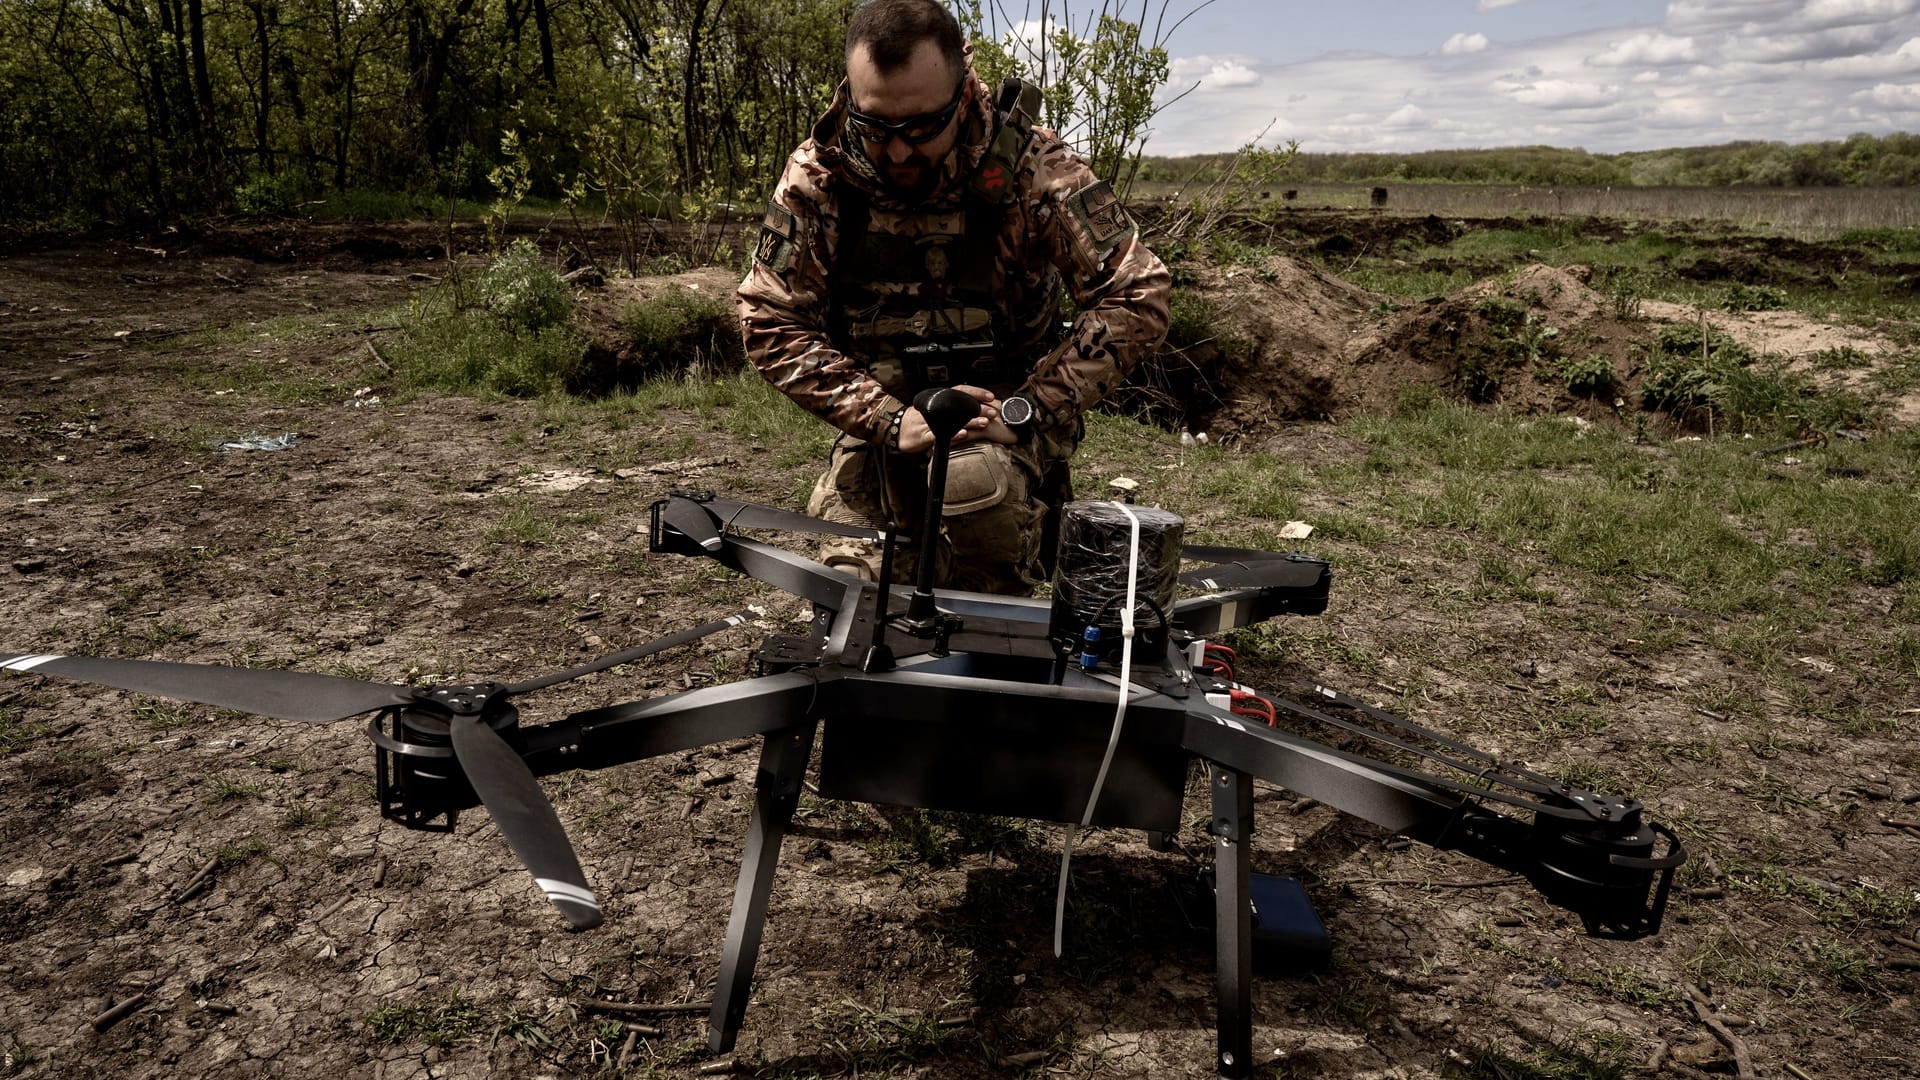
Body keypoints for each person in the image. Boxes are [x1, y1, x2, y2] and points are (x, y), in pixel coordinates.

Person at [735, 0, 1170, 594]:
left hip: (999, 420)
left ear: (963, 85)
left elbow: (1138, 292)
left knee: (974, 508)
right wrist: (888, 419)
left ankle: (1015, 546)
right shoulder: (822, 176)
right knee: (853, 595)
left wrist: (1028, 412)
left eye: (919, 128)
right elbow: (768, 318)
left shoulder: (1031, 168)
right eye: (875, 126)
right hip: (886, 418)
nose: (896, 151)